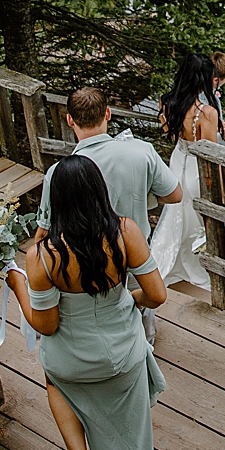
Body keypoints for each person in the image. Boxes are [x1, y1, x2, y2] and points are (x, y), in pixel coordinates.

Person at [7, 156, 168, 450]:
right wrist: (130, 300)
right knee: (132, 440)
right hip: (124, 358)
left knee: (54, 380)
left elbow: (46, 325)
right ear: (99, 190)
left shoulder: (41, 256)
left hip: (71, 365)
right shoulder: (126, 233)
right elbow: (157, 295)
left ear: (57, 201)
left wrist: (17, 287)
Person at [36, 87, 182, 343]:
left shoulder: (59, 173)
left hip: (85, 262)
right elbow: (174, 194)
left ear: (70, 120)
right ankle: (144, 347)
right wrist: (145, 195)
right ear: (108, 114)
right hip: (135, 254)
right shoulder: (142, 151)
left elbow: (45, 230)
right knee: (143, 313)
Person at [149, 53, 225, 287]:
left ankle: (167, 261)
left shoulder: (167, 102)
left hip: (177, 159)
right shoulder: (207, 113)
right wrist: (220, 188)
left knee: (176, 213)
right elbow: (211, 156)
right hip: (196, 166)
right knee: (198, 215)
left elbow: (169, 132)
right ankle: (195, 263)